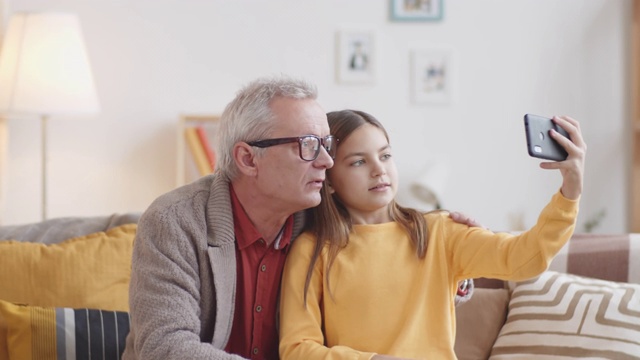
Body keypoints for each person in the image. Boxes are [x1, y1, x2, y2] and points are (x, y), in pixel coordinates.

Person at [122, 76, 481, 360]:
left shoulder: (323, 218)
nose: (326, 161)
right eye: (309, 145)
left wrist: (450, 261)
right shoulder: (174, 222)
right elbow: (166, 348)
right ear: (248, 159)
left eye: (327, 145)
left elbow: (384, 268)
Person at [279, 110, 586, 359]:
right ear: (329, 181)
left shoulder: (440, 231)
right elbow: (296, 349)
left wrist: (569, 191)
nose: (378, 170)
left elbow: (524, 258)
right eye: (358, 162)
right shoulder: (312, 249)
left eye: (385, 156)